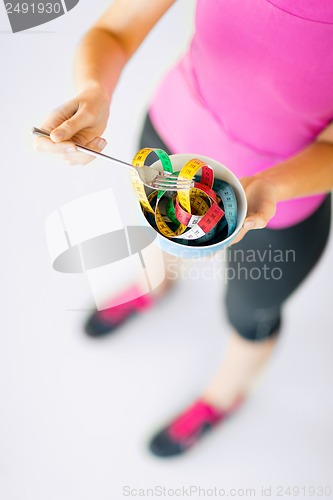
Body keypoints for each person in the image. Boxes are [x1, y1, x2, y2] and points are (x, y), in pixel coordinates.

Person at [34, 0, 333, 457]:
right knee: (161, 236)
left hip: (287, 196)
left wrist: (271, 184)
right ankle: (152, 287)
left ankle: (223, 397)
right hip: (172, 134)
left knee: (251, 311)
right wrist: (93, 89)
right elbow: (116, 30)